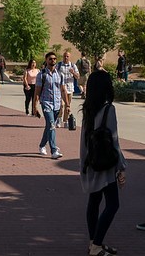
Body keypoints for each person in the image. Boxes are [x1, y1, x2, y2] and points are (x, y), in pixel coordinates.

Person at [80, 70, 126, 256]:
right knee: (113, 204)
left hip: (91, 161)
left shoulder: (87, 108)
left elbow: (84, 139)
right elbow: (114, 140)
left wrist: (84, 162)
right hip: (106, 164)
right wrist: (121, 167)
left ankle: (93, 243)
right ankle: (97, 245)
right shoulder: (109, 109)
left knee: (94, 200)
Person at [33, 51, 67, 159]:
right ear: (46, 60)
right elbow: (37, 91)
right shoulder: (41, 74)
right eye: (50, 59)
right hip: (46, 103)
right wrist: (35, 106)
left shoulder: (60, 74)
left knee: (49, 126)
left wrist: (68, 105)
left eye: (54, 59)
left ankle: (42, 145)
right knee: (52, 125)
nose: (53, 60)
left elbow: (63, 90)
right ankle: (54, 150)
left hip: (57, 104)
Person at [58, 51, 80, 128]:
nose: (66, 58)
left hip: (70, 88)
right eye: (65, 56)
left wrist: (73, 72)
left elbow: (78, 77)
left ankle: (65, 120)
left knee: (68, 105)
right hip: (60, 88)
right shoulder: (59, 65)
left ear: (69, 57)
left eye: (67, 56)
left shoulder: (73, 66)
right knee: (61, 104)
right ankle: (59, 118)